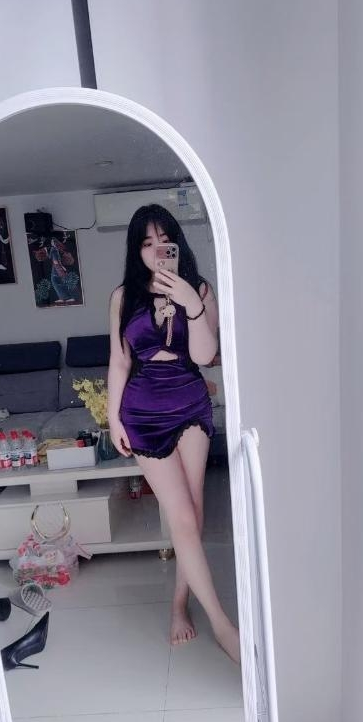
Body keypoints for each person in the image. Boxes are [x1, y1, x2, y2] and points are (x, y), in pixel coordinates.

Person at [108, 204, 240, 663]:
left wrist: (191, 301)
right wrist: (114, 419)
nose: (156, 251)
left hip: (189, 402)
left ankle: (180, 603)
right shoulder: (123, 296)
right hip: (143, 411)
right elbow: (120, 361)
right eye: (147, 243)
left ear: (177, 245)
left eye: (164, 242)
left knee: (193, 514)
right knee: (181, 516)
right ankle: (222, 626)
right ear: (137, 249)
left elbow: (204, 357)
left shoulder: (198, 289)